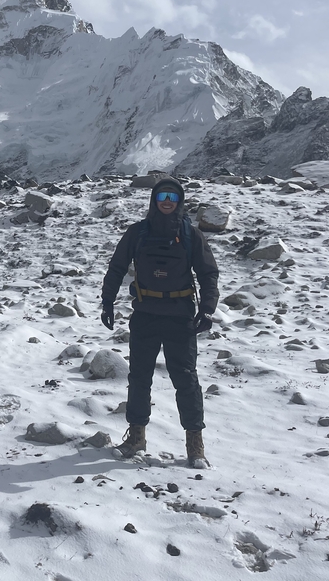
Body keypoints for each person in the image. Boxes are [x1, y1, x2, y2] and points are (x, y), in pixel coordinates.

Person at [100, 178, 219, 468]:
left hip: (180, 316)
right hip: (145, 314)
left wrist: (207, 309)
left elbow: (208, 273)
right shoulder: (137, 233)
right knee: (139, 378)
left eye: (173, 196)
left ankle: (195, 443)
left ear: (179, 201)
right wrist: (107, 300)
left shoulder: (191, 235)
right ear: (154, 199)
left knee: (186, 380)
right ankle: (136, 438)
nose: (167, 201)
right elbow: (116, 267)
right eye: (162, 195)